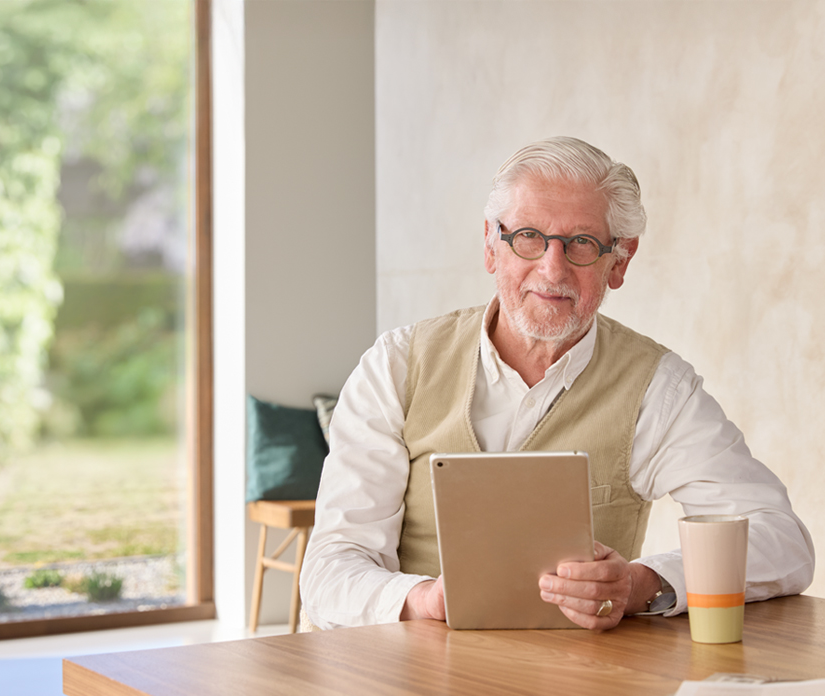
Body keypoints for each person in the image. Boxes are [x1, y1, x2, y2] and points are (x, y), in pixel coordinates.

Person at [299, 136, 815, 631]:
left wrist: (641, 585)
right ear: (490, 245)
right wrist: (425, 599)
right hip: (408, 676)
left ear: (620, 260)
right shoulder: (397, 366)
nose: (552, 269)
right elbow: (329, 572)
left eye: (582, 244)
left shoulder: (657, 389)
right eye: (528, 237)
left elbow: (782, 541)